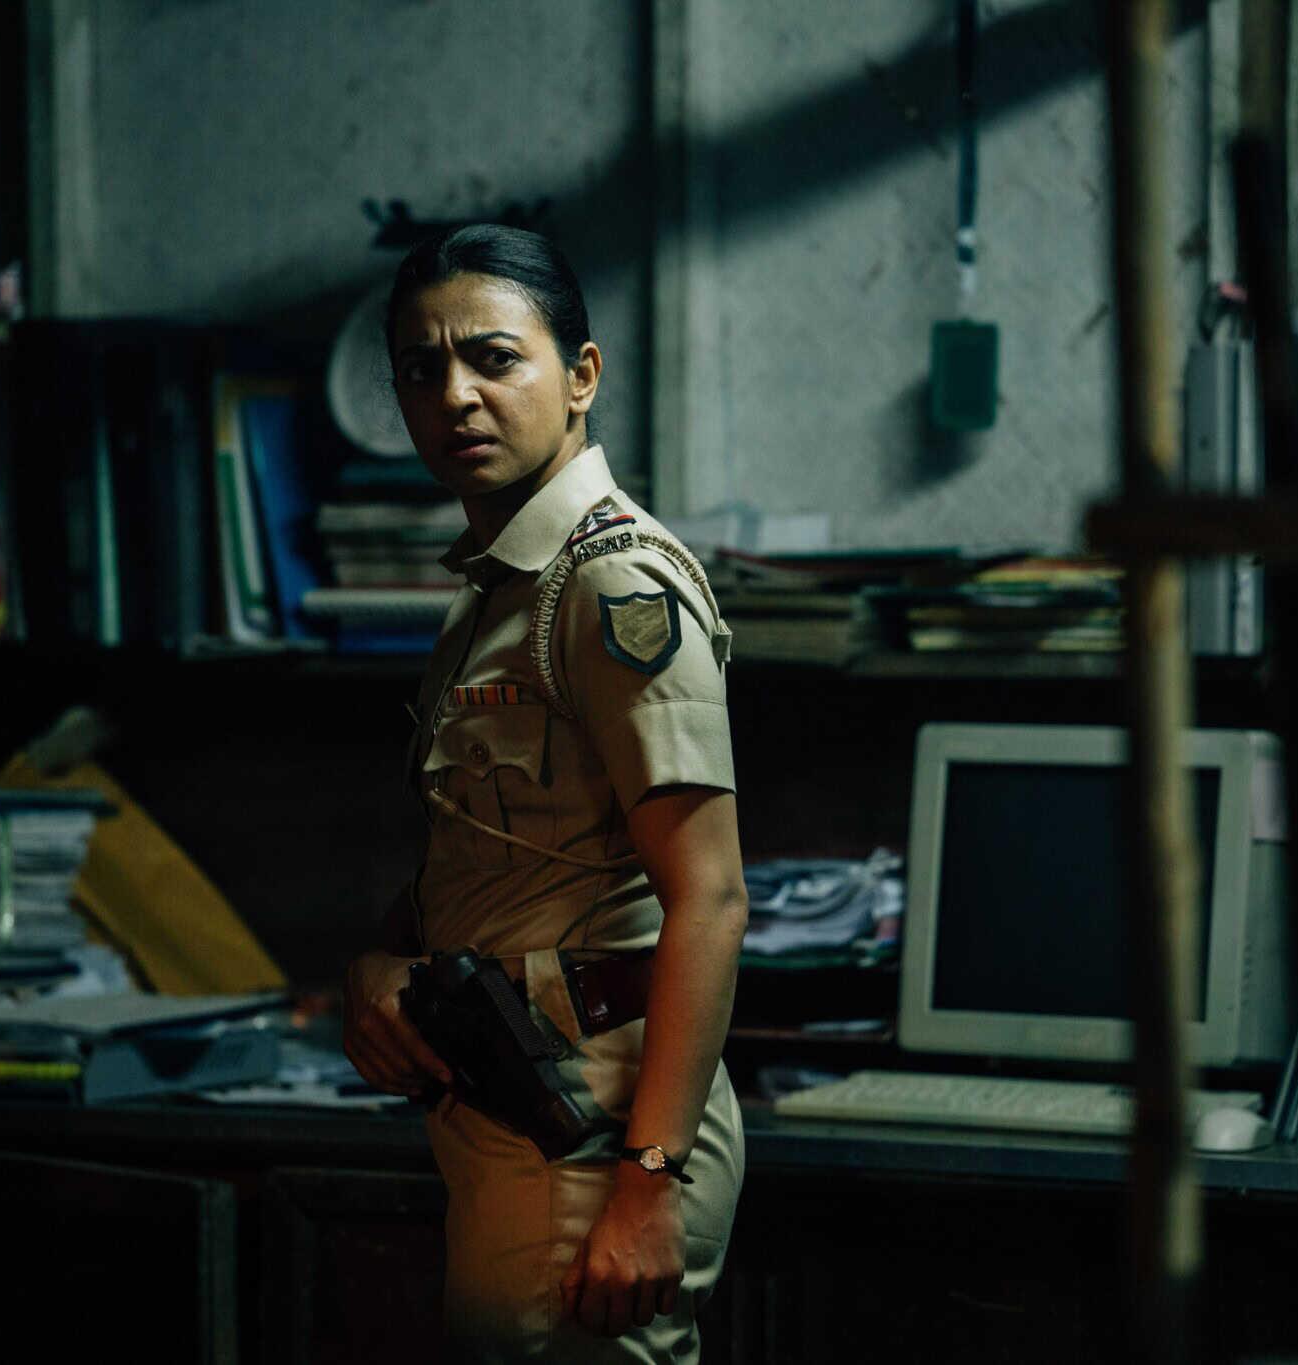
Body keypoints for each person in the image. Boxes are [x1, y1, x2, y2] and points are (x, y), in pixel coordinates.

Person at [340, 223, 748, 1364]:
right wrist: (382, 964)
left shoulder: (609, 581)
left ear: (580, 376)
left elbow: (708, 900)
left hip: (599, 1129)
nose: (456, 395)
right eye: (422, 370)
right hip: (511, 1097)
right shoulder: (496, 590)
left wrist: (645, 1187)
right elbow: (485, 854)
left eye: (493, 358)